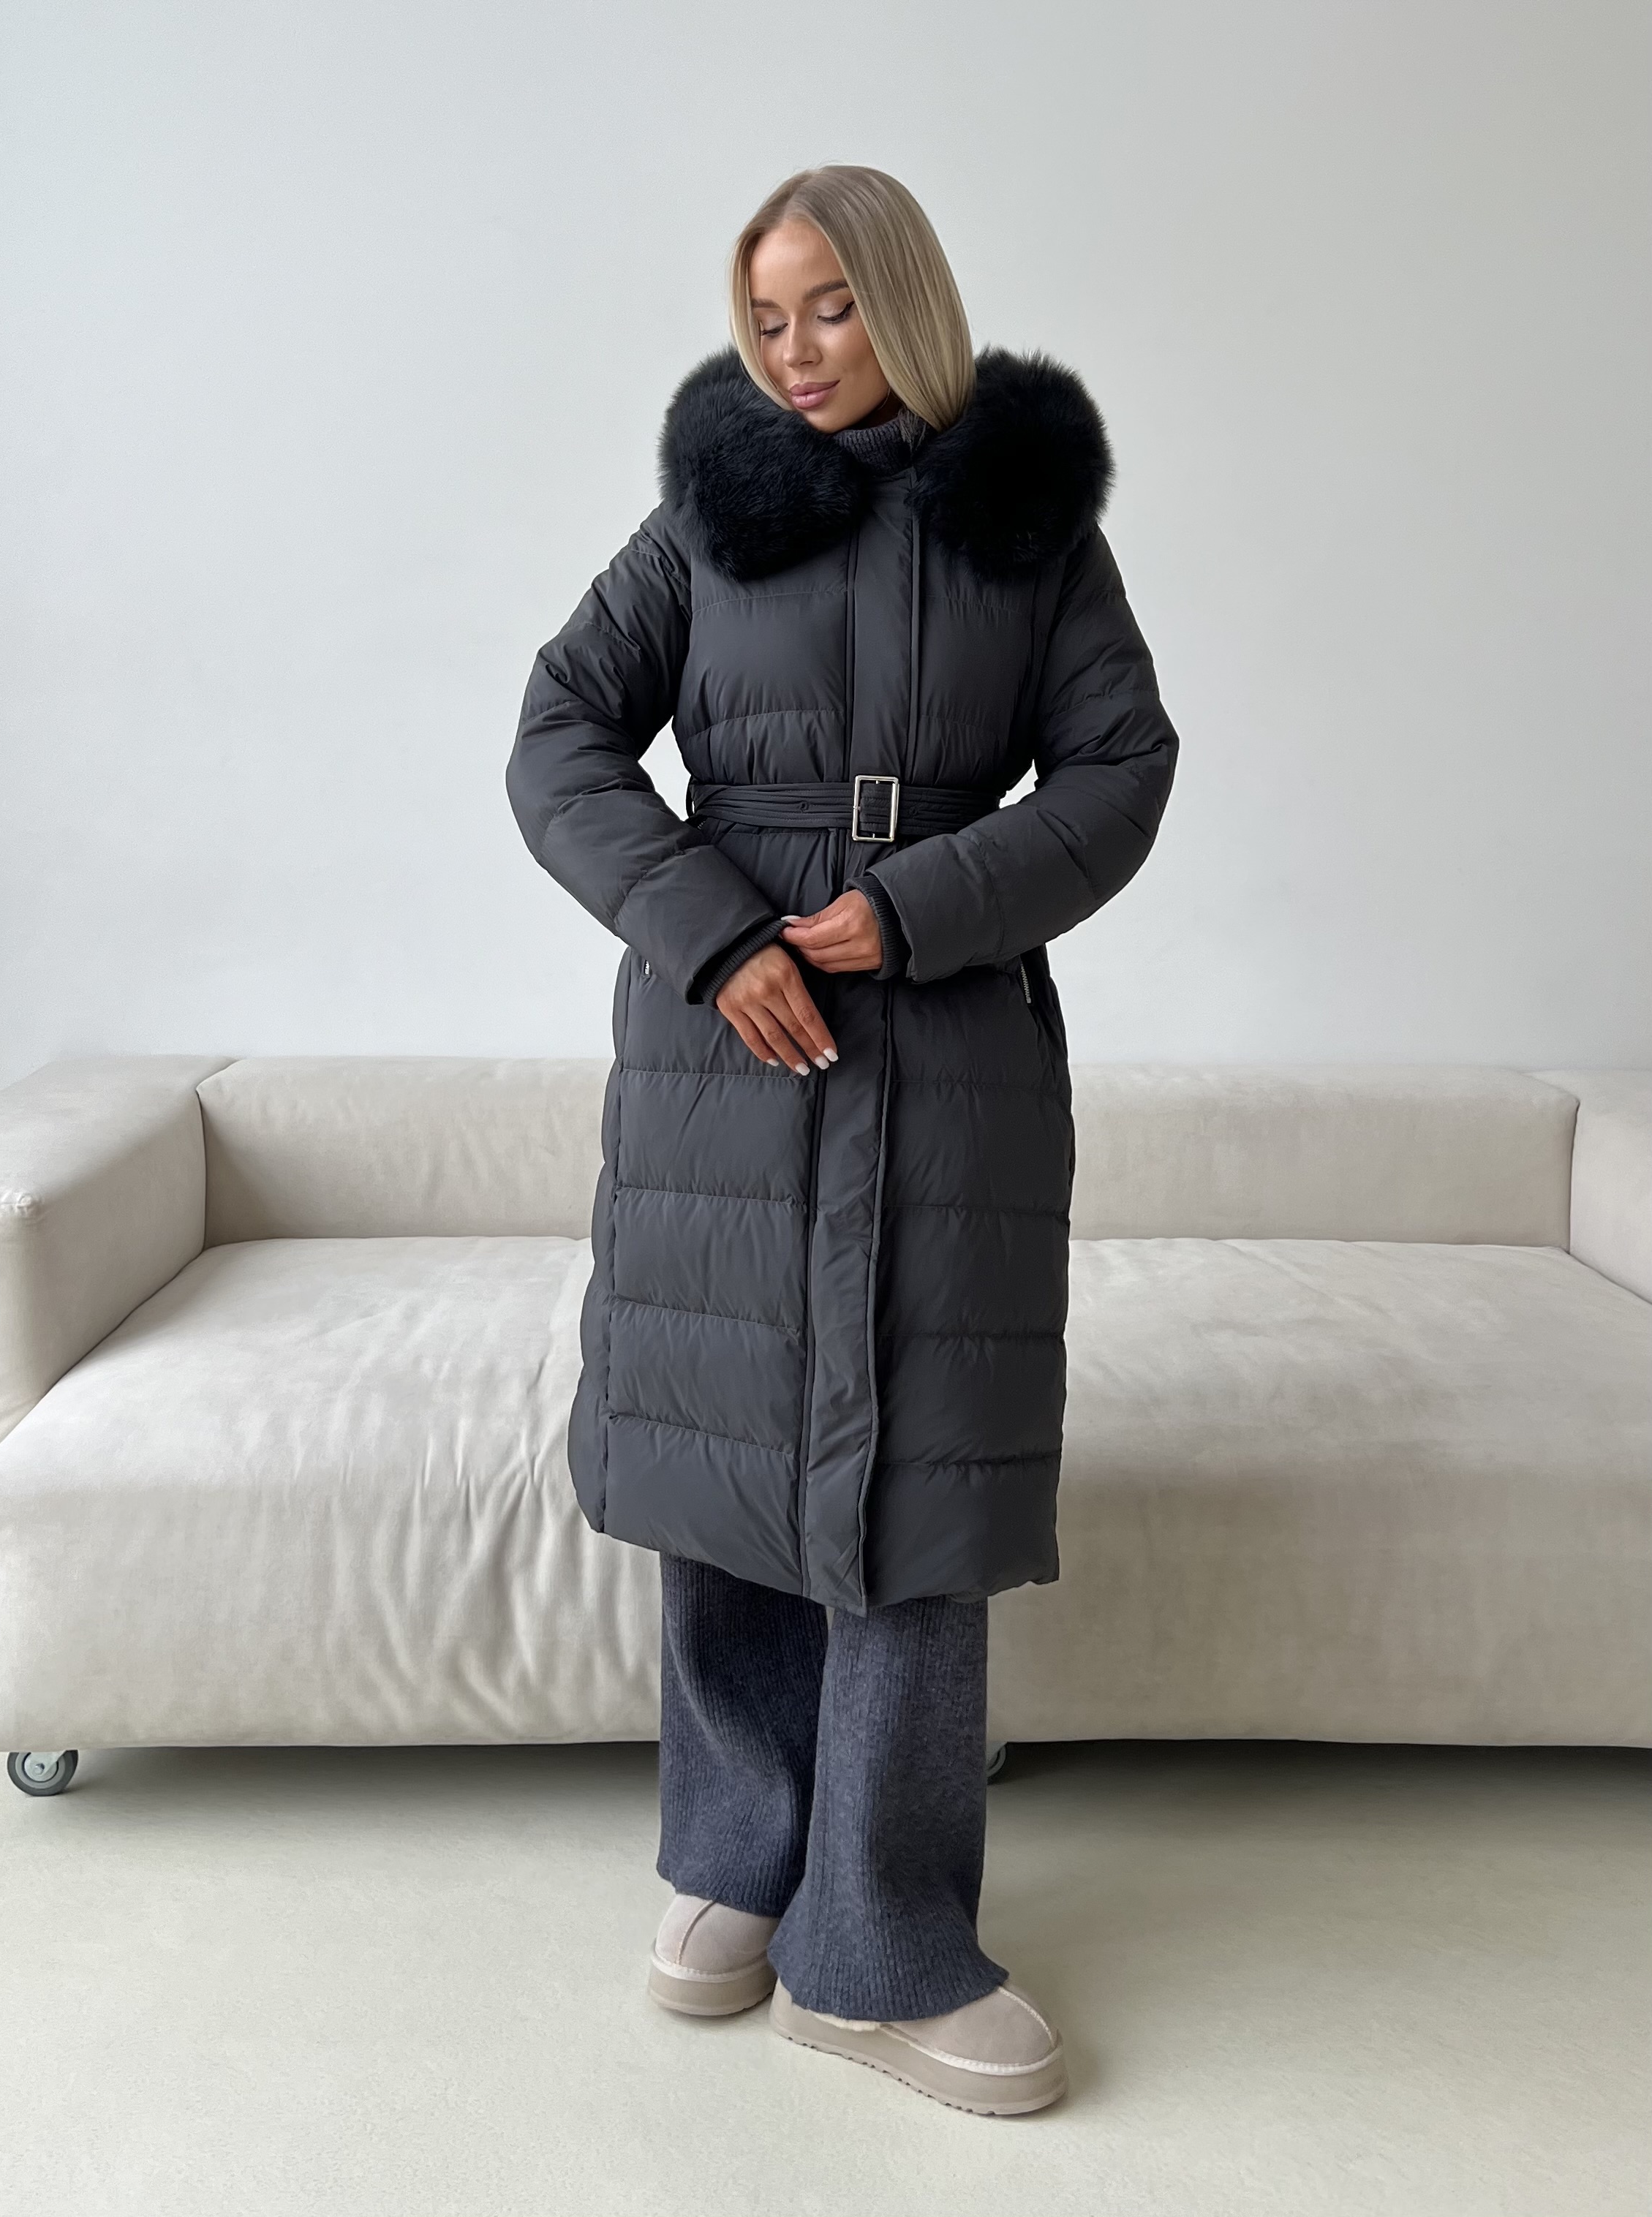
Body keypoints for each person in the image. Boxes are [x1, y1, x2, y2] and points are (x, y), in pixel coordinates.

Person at [505, 163, 1179, 2115]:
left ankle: (879, 1948)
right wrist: (715, 934)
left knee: (918, 1487)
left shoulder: (1029, 519)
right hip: (731, 1034)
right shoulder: (707, 519)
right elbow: (559, 735)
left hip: (946, 1038)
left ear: (906, 298)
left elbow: (1123, 769)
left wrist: (920, 906)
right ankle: (738, 1859)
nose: (797, 352)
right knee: (728, 1448)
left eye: (831, 307)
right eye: (766, 317)